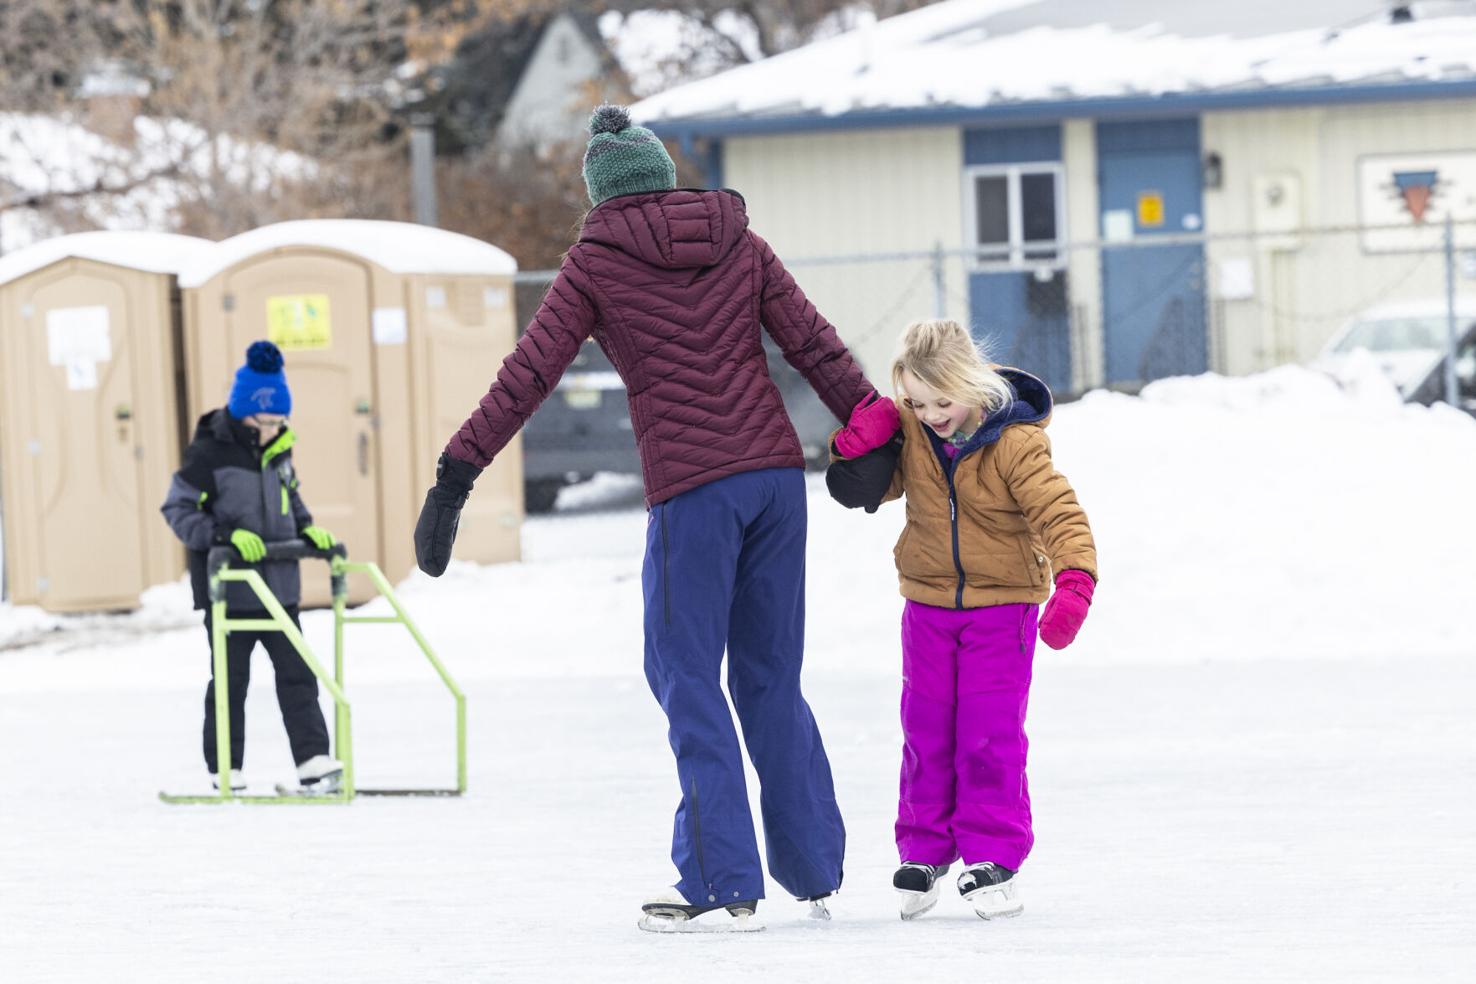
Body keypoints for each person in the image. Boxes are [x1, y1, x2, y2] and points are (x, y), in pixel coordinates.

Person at [414, 104, 877, 930]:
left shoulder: (596, 259)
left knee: (686, 673)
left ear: (600, 193)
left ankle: (717, 876)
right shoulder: (739, 237)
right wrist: (878, 432)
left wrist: (458, 472)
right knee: (770, 676)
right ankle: (814, 868)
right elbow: (815, 345)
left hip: (695, 489)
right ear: (665, 177)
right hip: (774, 482)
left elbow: (527, 376)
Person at [826, 319, 1098, 921]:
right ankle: (923, 850)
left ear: (973, 386)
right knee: (925, 730)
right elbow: (865, 490)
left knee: (987, 731)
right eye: (917, 403)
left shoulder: (1016, 443)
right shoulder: (916, 434)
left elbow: (1059, 511)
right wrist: (858, 443)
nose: (931, 415)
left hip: (1003, 608)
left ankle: (992, 855)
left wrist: (1074, 579)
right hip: (926, 603)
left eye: (942, 402)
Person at [160, 340, 343, 793]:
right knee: (230, 682)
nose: (275, 428)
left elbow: (289, 500)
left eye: (281, 420)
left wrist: (307, 531)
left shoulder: (279, 449)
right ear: (246, 414)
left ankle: (314, 763)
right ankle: (225, 770)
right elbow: (178, 509)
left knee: (298, 675)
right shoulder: (208, 455)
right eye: (268, 420)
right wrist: (223, 537)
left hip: (279, 589)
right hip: (230, 592)